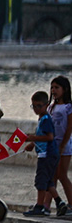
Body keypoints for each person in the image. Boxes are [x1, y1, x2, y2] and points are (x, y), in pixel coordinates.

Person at [24, 91, 58, 216]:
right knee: (48, 181)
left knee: (41, 181)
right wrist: (32, 144)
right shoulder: (42, 119)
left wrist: (32, 138)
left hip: (47, 154)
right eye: (34, 106)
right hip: (45, 153)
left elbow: (49, 137)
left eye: (39, 106)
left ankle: (40, 206)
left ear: (46, 105)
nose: (36, 109)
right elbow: (40, 135)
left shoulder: (46, 120)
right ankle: (60, 203)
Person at [49, 76, 72, 214]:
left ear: (65, 89)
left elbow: (69, 128)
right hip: (52, 146)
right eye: (52, 87)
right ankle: (48, 205)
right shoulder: (51, 107)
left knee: (62, 175)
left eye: (57, 88)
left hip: (65, 146)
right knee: (52, 176)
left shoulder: (68, 107)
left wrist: (62, 145)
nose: (53, 90)